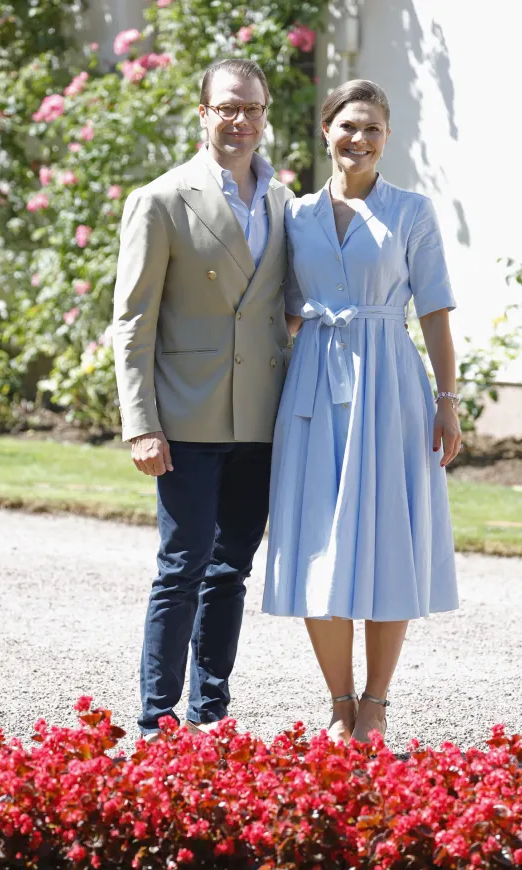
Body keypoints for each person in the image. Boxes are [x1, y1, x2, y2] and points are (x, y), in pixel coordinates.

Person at [262, 79, 461, 744]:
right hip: (313, 387)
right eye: (348, 125)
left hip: (390, 388)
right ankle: (339, 703)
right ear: (326, 131)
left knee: (386, 539)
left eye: (372, 128)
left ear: (387, 137)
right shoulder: (295, 215)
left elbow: (434, 310)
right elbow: (284, 311)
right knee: (316, 540)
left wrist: (448, 401)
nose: (359, 138)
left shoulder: (412, 211)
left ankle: (376, 705)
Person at [113, 59, 294, 739]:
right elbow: (133, 321)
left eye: (252, 108)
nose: (240, 120)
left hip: (260, 417)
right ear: (203, 114)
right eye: (227, 107)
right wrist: (141, 424)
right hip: (185, 416)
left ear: (265, 113)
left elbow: (285, 305)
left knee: (231, 572)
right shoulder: (160, 200)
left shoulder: (284, 202)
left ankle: (209, 717)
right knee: (181, 568)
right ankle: (156, 723)